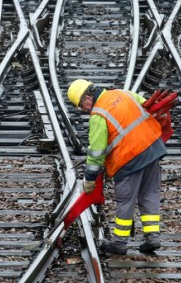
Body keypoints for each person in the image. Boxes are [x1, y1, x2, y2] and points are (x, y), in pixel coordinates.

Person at [67, 79, 173, 255]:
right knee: (148, 194)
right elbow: (146, 105)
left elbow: (96, 151)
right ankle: (152, 237)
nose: (82, 109)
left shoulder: (98, 115)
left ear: (88, 96)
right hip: (153, 148)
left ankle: (119, 243)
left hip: (129, 158)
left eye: (81, 104)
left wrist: (90, 178)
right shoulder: (123, 93)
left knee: (125, 200)